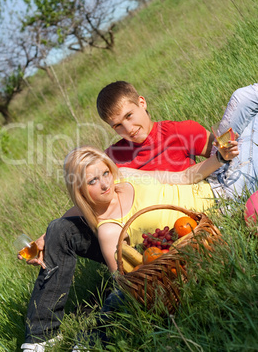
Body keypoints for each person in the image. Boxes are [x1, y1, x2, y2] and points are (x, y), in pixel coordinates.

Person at [20, 82, 258, 351]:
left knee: (245, 101)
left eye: (129, 117)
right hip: (153, 235)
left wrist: (223, 157)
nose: (128, 129)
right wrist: (46, 239)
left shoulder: (175, 134)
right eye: (117, 125)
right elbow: (85, 201)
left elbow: (188, 173)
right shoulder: (113, 162)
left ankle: (98, 327)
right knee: (60, 229)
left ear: (141, 103)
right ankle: (42, 337)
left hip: (204, 196)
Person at [63, 144, 239, 272]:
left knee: (243, 100)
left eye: (105, 173)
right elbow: (125, 280)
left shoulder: (124, 176)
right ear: (80, 190)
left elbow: (184, 177)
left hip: (215, 180)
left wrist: (220, 158)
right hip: (223, 205)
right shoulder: (109, 229)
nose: (104, 184)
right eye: (92, 181)